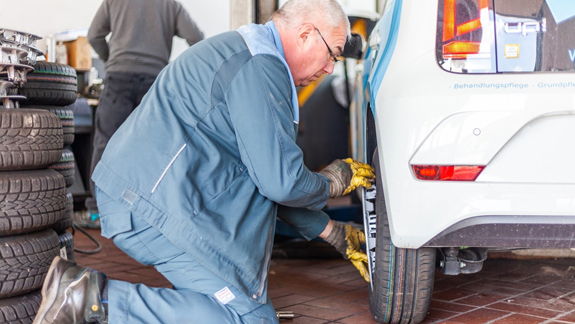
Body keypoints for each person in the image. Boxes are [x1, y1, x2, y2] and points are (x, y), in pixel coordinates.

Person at [33, 0, 374, 323]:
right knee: (244, 318)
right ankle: (91, 299)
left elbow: (264, 179)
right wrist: (333, 180)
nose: (330, 68)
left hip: (151, 195)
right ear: (305, 34)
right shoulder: (259, 64)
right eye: (334, 54)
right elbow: (281, 181)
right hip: (153, 203)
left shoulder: (249, 53)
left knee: (237, 308)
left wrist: (331, 232)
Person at [79, 0, 205, 227]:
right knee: (152, 147)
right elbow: (196, 38)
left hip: (118, 77)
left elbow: (93, 35)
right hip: (154, 81)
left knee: (105, 143)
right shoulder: (170, 5)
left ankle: (97, 212)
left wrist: (111, 59)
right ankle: (146, 213)